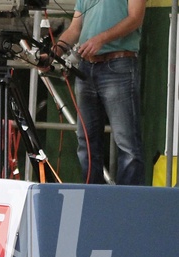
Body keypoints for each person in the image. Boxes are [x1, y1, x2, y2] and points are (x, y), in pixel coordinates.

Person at [47, 0, 146, 185]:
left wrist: (101, 38)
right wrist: (54, 53)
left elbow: (135, 18)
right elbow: (75, 28)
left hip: (118, 64)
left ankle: (128, 206)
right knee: (86, 143)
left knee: (127, 144)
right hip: (87, 67)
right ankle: (91, 201)